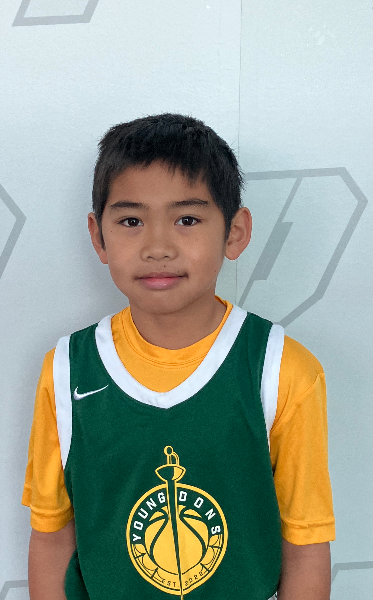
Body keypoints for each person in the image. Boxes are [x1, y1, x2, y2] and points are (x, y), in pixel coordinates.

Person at [22, 113, 335, 600]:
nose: (158, 247)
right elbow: (52, 535)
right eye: (131, 221)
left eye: (187, 220)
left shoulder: (281, 370)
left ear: (234, 232)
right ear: (98, 236)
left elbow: (305, 544)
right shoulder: (66, 370)